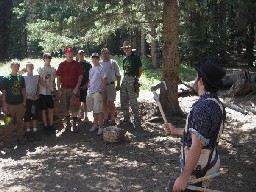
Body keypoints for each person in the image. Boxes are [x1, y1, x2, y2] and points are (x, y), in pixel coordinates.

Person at [164, 59, 226, 192]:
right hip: (209, 162)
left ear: (201, 81)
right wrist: (175, 130)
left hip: (198, 167)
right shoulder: (217, 105)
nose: (194, 79)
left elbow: (197, 145)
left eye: (196, 76)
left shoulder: (201, 108)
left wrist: (184, 177)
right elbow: (201, 135)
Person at [56, 48, 83, 133]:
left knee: (74, 108)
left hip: (74, 90)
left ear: (73, 54)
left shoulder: (77, 64)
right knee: (65, 108)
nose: (70, 55)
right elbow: (58, 78)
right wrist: (59, 89)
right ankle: (68, 124)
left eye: (71, 53)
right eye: (68, 53)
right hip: (64, 89)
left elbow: (80, 77)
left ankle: (74, 125)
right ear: (65, 54)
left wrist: (76, 88)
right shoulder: (62, 65)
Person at [1, 60, 26, 147]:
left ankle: (21, 138)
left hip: (19, 105)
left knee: (20, 122)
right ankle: (7, 141)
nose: (16, 68)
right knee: (7, 123)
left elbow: (23, 90)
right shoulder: (6, 78)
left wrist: (24, 101)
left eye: (17, 67)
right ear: (11, 67)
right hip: (9, 105)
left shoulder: (21, 77)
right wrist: (4, 104)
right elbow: (3, 92)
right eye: (14, 66)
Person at [119, 41, 142, 128]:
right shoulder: (125, 59)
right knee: (123, 99)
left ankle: (137, 119)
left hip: (133, 79)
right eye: (125, 48)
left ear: (131, 48)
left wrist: (136, 78)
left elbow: (140, 69)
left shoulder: (136, 58)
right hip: (125, 79)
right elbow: (125, 70)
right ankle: (126, 119)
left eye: (127, 48)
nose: (126, 49)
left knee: (133, 100)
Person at [86, 53, 107, 136]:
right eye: (93, 58)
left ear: (98, 59)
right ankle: (95, 124)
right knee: (94, 110)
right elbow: (90, 80)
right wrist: (88, 87)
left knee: (99, 111)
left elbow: (104, 80)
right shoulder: (91, 69)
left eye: (96, 58)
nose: (94, 60)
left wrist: (100, 91)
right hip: (90, 92)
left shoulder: (101, 68)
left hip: (97, 92)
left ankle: (101, 126)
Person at [100, 48, 121, 126]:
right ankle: (105, 117)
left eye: (106, 53)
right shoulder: (100, 63)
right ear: (101, 54)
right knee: (103, 102)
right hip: (102, 86)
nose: (105, 55)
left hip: (111, 85)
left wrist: (118, 84)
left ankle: (112, 118)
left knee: (111, 102)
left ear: (109, 53)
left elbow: (118, 75)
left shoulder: (113, 63)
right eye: (103, 53)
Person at [38, 53, 57, 135]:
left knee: (51, 109)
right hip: (43, 93)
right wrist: (49, 87)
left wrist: (54, 87)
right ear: (44, 59)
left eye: (49, 57)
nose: (48, 59)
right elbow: (41, 81)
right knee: (43, 110)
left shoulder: (53, 69)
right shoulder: (41, 68)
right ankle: (45, 126)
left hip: (50, 93)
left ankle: (51, 124)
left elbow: (53, 81)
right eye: (46, 58)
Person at [23, 61, 40, 141]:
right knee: (27, 116)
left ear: (33, 67)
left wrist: (37, 95)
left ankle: (35, 132)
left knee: (35, 116)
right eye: (28, 66)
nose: (30, 67)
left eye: (31, 66)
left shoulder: (37, 76)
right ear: (26, 68)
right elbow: (22, 90)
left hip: (35, 99)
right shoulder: (23, 77)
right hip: (27, 99)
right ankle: (28, 132)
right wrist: (28, 97)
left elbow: (38, 86)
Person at [77, 49, 92, 122]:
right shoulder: (76, 64)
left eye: (82, 54)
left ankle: (86, 116)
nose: (81, 55)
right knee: (78, 101)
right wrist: (77, 85)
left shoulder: (88, 65)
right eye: (80, 54)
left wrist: (86, 84)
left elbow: (91, 76)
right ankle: (79, 115)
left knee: (85, 101)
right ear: (78, 55)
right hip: (78, 86)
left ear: (84, 55)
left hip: (86, 85)